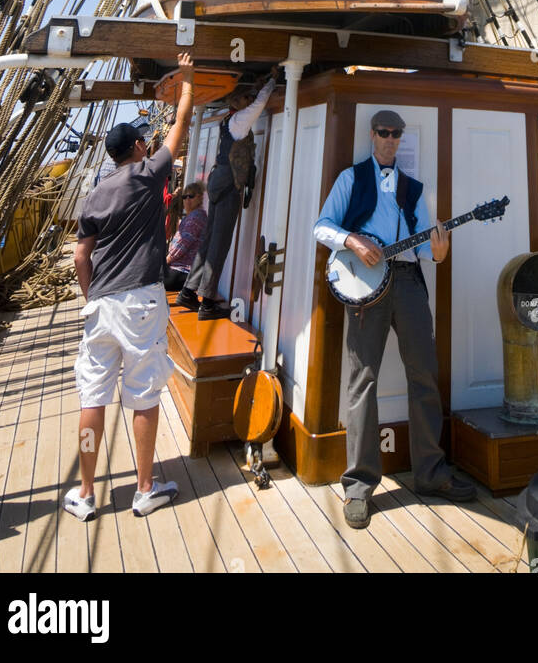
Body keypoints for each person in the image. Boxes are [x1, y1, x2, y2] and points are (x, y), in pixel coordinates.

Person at [313, 108, 475, 529]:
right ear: (372, 135)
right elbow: (322, 226)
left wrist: (439, 252)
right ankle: (359, 485)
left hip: (407, 282)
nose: (390, 139)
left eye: (396, 134)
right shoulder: (351, 178)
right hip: (364, 289)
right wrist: (352, 240)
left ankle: (430, 473)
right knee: (362, 380)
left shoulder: (414, 188)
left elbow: (427, 247)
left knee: (424, 374)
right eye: (384, 132)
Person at [64, 51, 195, 522]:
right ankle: (144, 488)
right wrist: (188, 78)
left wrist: (91, 296)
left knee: (92, 398)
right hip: (141, 300)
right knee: (143, 395)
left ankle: (84, 492)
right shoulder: (147, 176)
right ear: (139, 148)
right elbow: (180, 125)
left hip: (100, 307)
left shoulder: (95, 194)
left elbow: (82, 255)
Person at [175, 68, 278, 320]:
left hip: (218, 180)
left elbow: (254, 98)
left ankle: (188, 291)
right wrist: (273, 80)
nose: (250, 102)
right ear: (240, 103)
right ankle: (207, 302)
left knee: (209, 238)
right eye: (246, 99)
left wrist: (260, 81)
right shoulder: (241, 120)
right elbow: (261, 102)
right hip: (230, 183)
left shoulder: (228, 120)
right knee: (220, 242)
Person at [164, 183, 207, 291]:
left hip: (182, 272)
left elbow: (181, 247)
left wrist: (165, 261)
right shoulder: (194, 216)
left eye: (191, 196)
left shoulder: (195, 218)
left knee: (145, 277)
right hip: (180, 271)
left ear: (200, 197)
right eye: (184, 197)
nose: (187, 199)